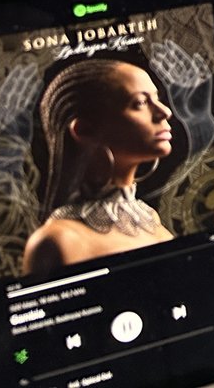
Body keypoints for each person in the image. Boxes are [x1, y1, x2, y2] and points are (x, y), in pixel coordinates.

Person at [22, 58, 176, 278]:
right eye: (140, 103)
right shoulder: (58, 241)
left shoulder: (150, 220)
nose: (165, 112)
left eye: (156, 98)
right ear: (84, 130)